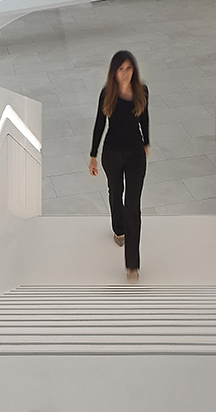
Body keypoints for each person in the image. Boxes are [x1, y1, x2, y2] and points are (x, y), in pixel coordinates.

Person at [88, 48, 149, 281]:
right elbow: (99, 124)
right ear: (114, 72)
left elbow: (145, 117)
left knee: (133, 206)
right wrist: (93, 155)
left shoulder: (142, 91)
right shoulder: (107, 94)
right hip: (112, 154)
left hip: (135, 155)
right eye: (121, 69)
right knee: (116, 193)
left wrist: (146, 142)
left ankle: (132, 264)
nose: (125, 73)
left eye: (129, 68)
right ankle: (118, 229)